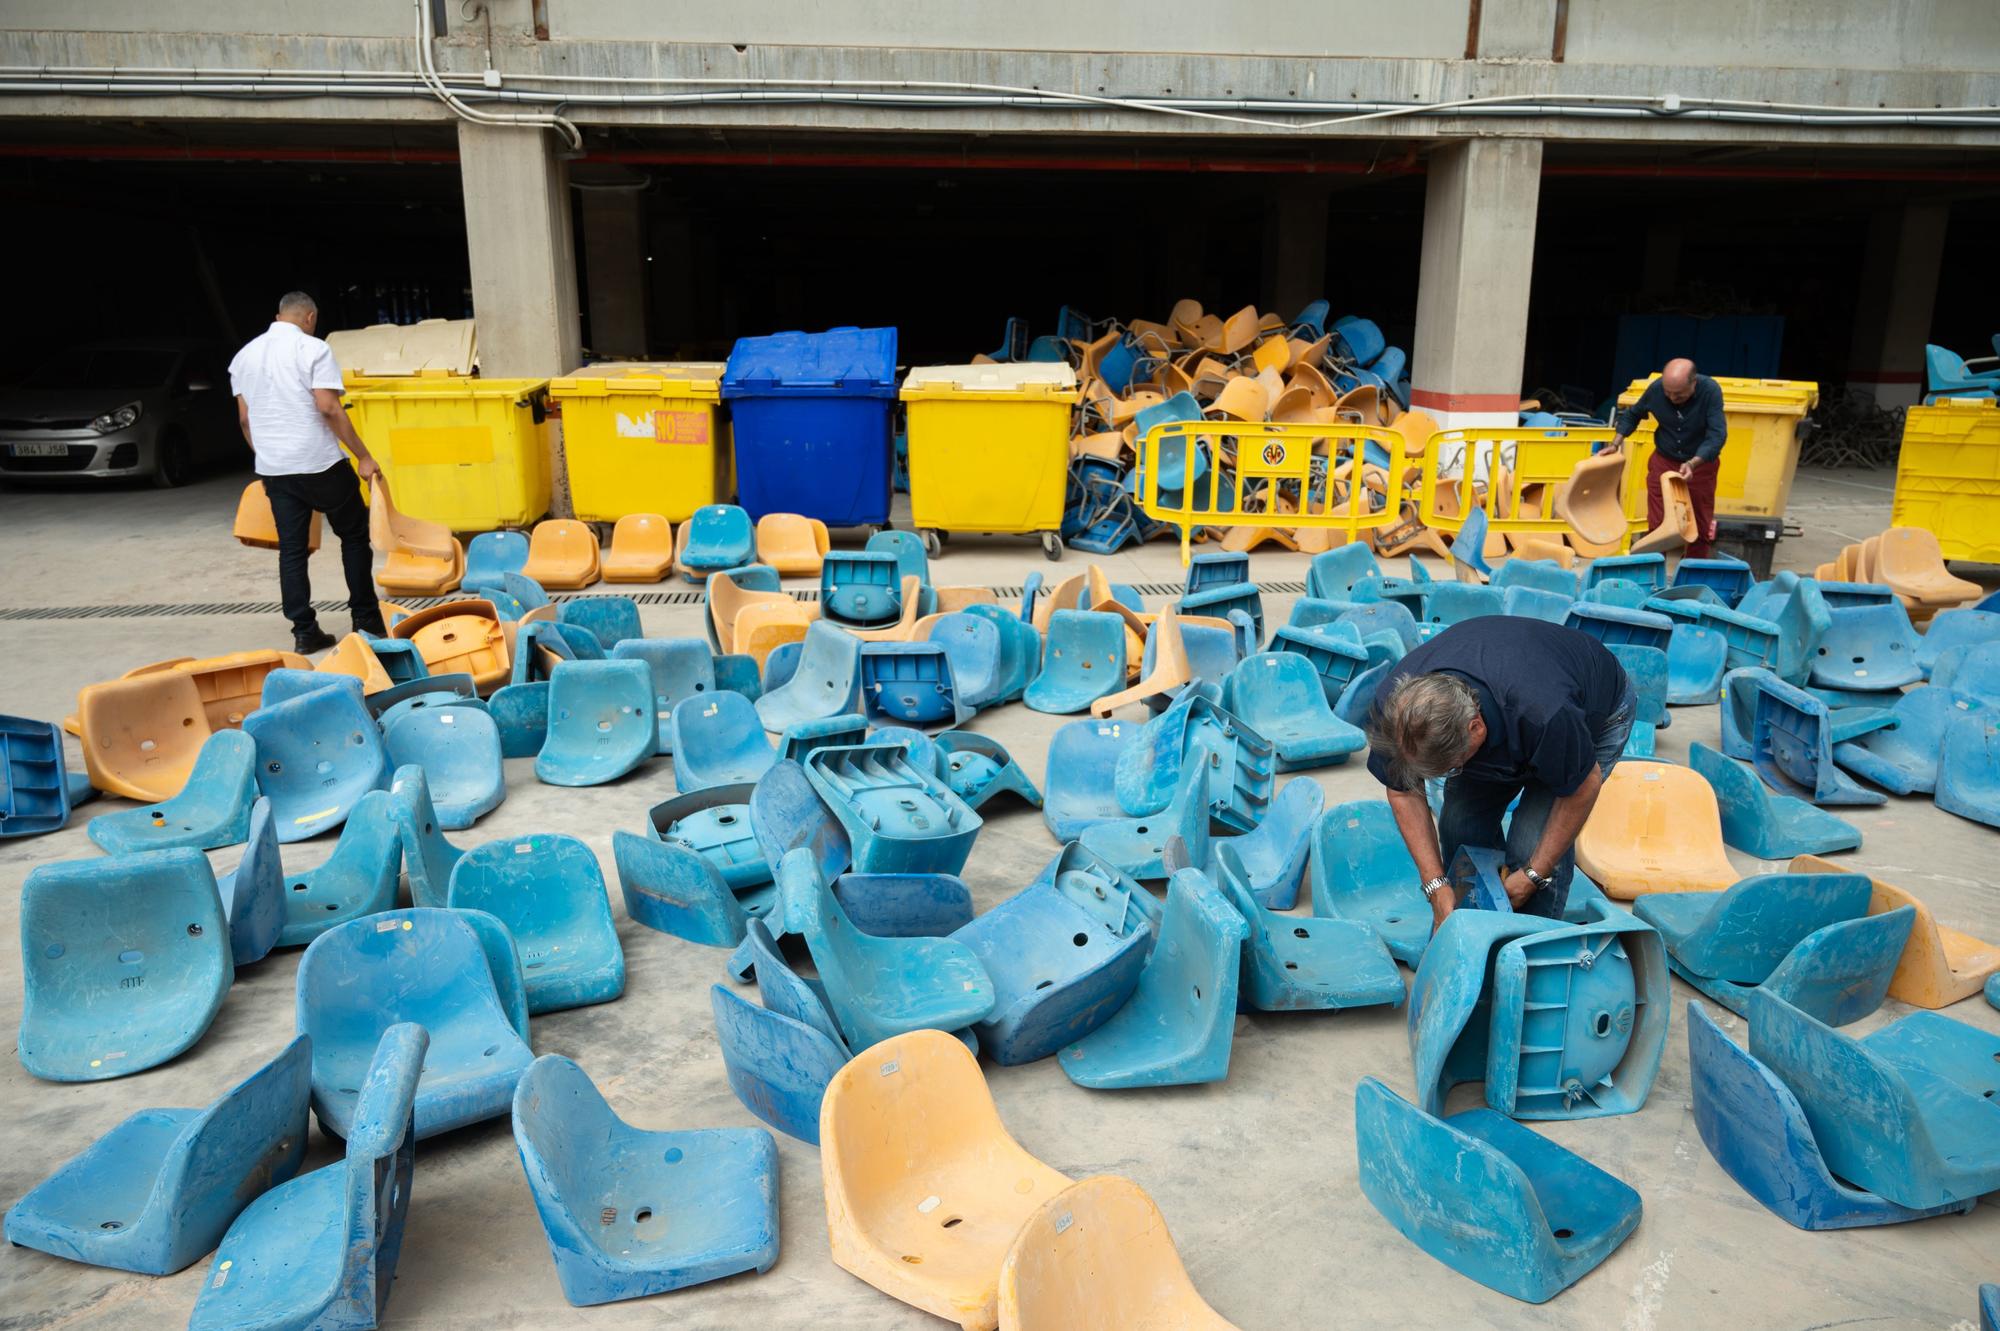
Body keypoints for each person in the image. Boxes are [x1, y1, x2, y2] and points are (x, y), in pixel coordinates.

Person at [1364, 617, 1635, 928]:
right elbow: (1402, 790)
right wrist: (1436, 886)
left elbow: (1583, 787)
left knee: (1531, 845)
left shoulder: (1544, 712)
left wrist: (1533, 874)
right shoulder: (1396, 714)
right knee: (1460, 825)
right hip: (1513, 704)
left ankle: (1527, 949)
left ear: (1476, 727)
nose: (1452, 773)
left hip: (1592, 708)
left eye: (1452, 766)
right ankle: (1477, 928)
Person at [229, 291, 384, 653]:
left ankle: (304, 631)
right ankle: (366, 621)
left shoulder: (243, 356)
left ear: (278, 315)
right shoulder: (313, 350)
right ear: (310, 317)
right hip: (320, 463)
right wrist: (363, 456)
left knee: (293, 551)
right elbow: (329, 408)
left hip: (275, 470)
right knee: (354, 536)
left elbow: (245, 419)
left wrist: (268, 457)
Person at [1607, 356, 1727, 558]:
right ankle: (1652, 569)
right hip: (1664, 460)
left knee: (1698, 524)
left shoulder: (1710, 391)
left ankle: (1693, 571)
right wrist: (1615, 444)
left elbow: (1717, 435)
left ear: (1693, 383)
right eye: (1668, 393)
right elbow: (1632, 415)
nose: (1672, 398)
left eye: (1678, 395)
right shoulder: (1656, 389)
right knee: (1657, 522)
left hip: (1700, 464)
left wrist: (1693, 463)